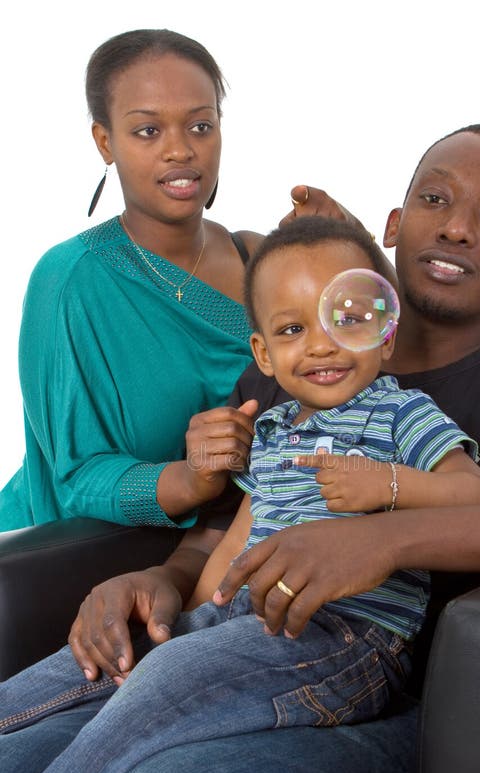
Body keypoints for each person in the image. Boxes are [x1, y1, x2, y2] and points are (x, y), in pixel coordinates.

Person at [2, 123, 480, 773]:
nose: (456, 225)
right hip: (237, 639)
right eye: (434, 199)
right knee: (25, 755)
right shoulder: (297, 378)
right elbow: (235, 524)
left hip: (407, 715)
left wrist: (385, 538)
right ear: (393, 229)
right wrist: (161, 579)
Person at [0, 28, 345, 533]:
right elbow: (74, 476)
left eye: (200, 126)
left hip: (234, 553)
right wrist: (189, 479)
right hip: (57, 561)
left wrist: (346, 241)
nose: (180, 150)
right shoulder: (71, 279)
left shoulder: (259, 260)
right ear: (105, 141)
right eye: (147, 131)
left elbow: (370, 368)